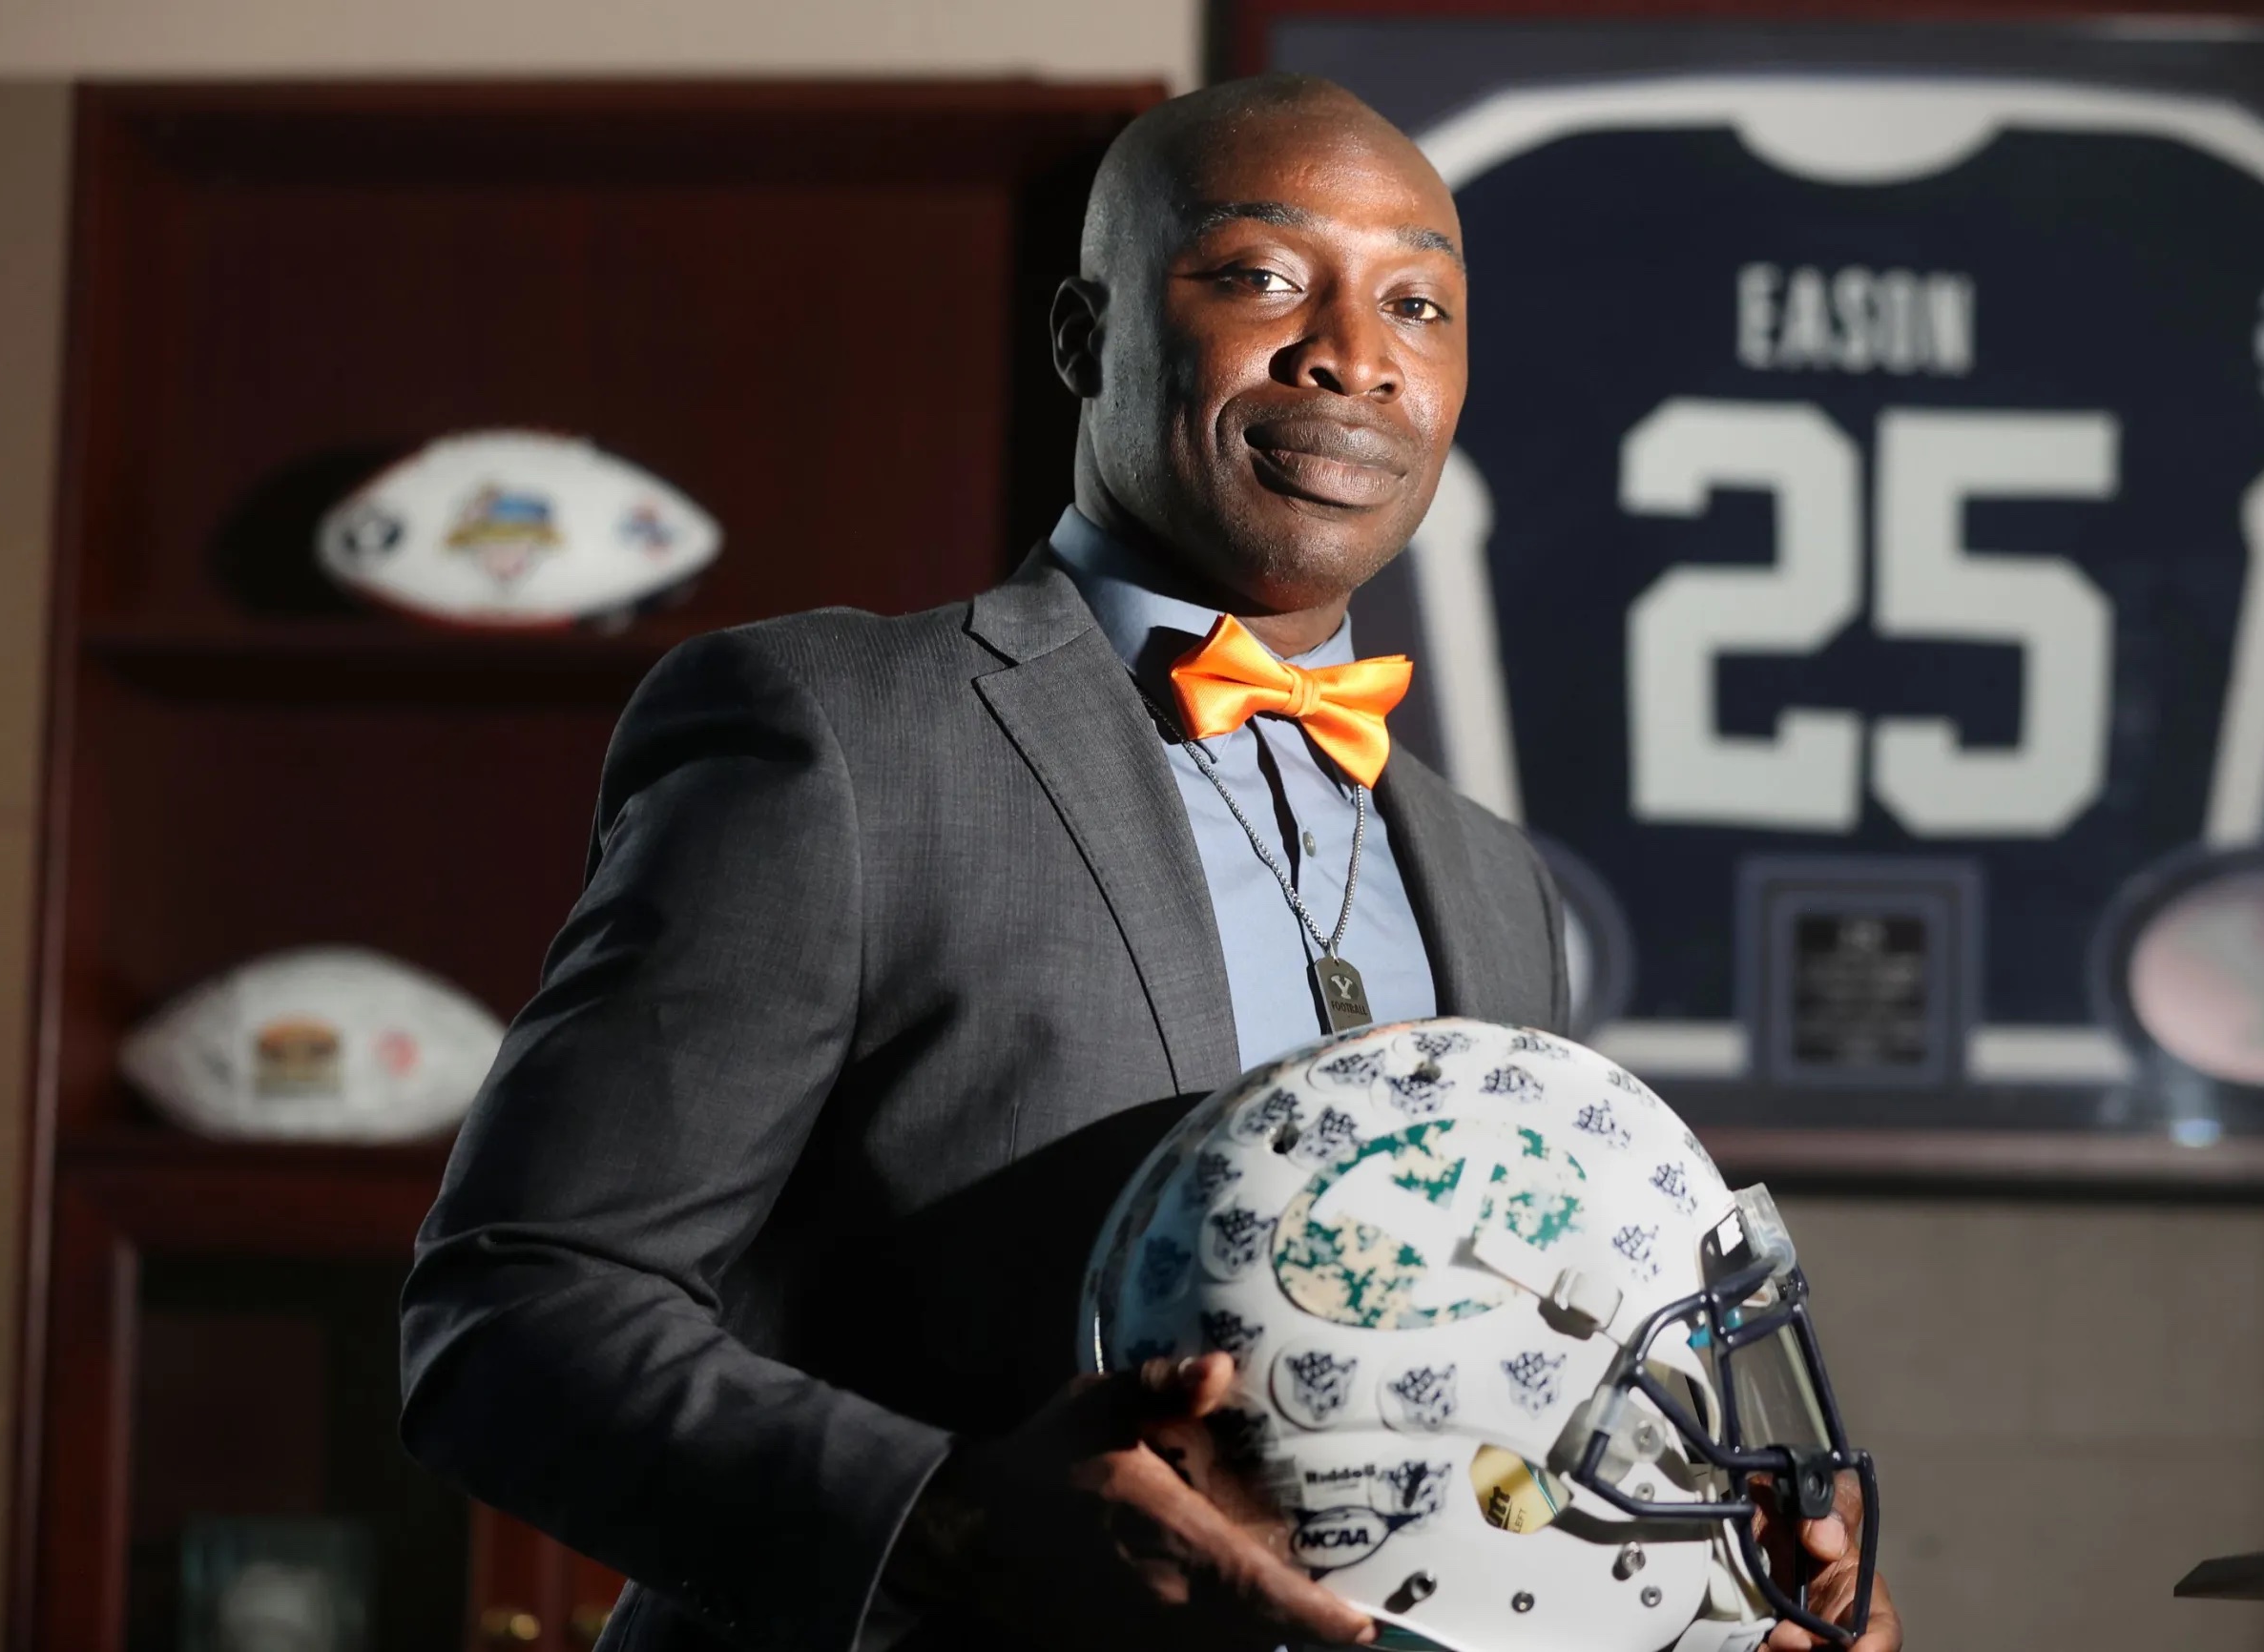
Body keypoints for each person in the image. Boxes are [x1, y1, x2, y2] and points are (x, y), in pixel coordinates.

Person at [398, 72, 1901, 1652]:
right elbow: (509, 1319)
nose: (1354, 354)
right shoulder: (835, 735)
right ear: (1083, 339)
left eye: (1420, 303)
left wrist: (1700, 1582)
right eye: (1262, 277)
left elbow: (1469, 1425)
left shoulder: (1494, 882)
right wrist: (953, 1523)